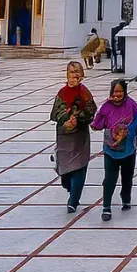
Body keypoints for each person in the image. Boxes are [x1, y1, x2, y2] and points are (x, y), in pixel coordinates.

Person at [91, 79, 137, 221]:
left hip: (128, 147)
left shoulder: (131, 104)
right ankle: (106, 207)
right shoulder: (106, 106)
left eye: (120, 91)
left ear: (124, 92)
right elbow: (99, 120)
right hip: (110, 148)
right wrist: (95, 124)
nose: (117, 94)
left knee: (127, 176)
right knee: (109, 178)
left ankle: (126, 198)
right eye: (115, 92)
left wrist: (128, 130)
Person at [50, 62, 97, 213]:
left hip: (79, 136)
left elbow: (92, 111)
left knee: (79, 166)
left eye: (77, 72)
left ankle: (74, 201)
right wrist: (67, 118)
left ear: (82, 75)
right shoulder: (62, 93)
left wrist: (79, 118)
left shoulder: (85, 93)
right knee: (65, 171)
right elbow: (55, 114)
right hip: (64, 136)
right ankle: (69, 186)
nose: (74, 76)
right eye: (71, 72)